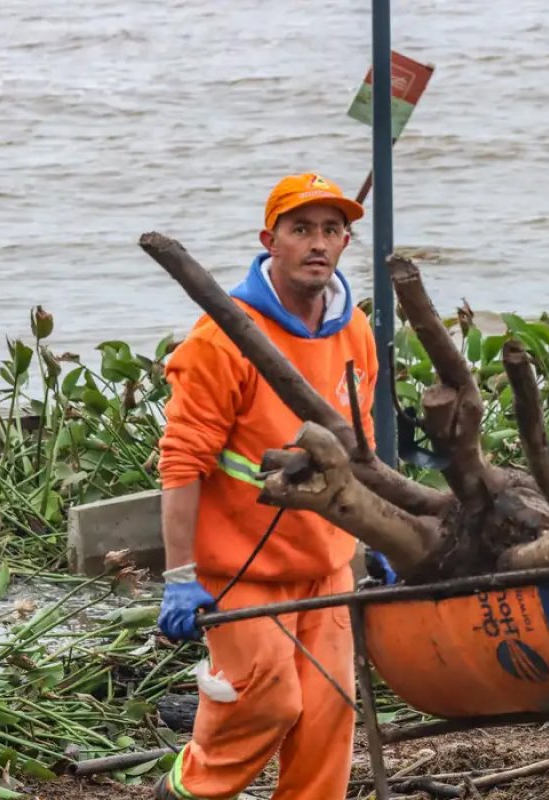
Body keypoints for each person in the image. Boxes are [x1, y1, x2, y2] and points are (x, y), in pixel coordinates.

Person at [153, 173, 384, 800]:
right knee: (268, 702)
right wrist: (179, 578)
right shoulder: (221, 339)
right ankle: (184, 791)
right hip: (239, 568)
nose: (318, 243)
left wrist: (383, 530)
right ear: (269, 241)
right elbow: (180, 464)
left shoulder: (355, 331)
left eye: (331, 230)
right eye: (301, 229)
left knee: (329, 715)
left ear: (344, 243)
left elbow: (361, 450)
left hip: (325, 564)